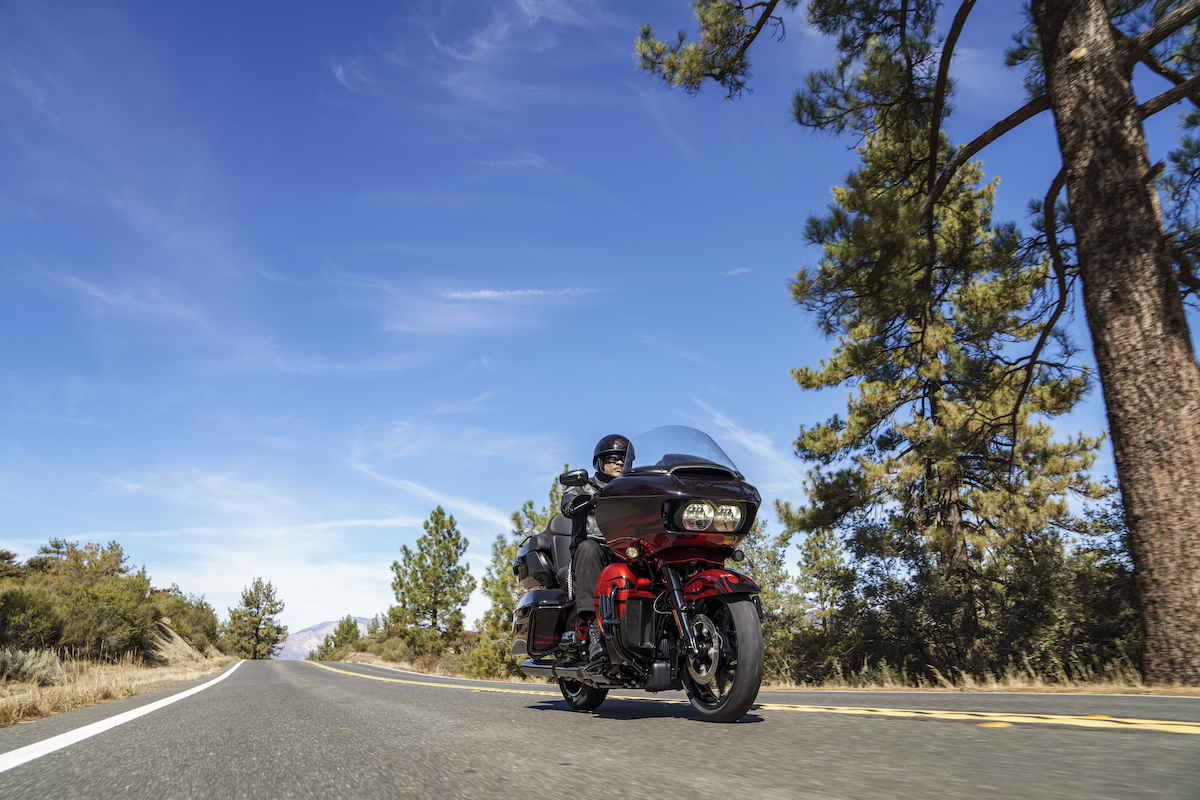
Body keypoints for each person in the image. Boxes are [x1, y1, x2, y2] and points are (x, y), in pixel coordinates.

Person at [561, 433, 630, 662]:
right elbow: (568, 506)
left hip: (627, 551)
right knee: (588, 548)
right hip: (595, 553)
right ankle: (594, 633)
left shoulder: (634, 489)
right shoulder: (584, 487)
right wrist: (588, 499)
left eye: (624, 458)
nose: (619, 462)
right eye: (612, 458)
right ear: (600, 462)